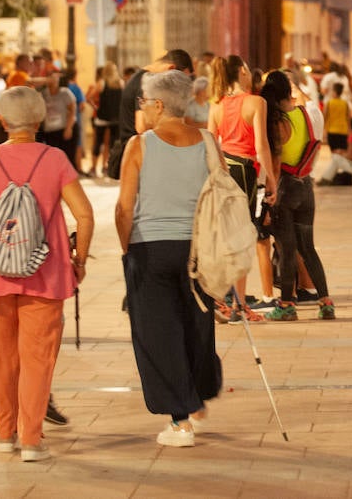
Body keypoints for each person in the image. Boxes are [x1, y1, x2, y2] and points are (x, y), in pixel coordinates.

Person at [0, 86, 95, 461]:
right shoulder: (56, 160)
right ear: (38, 120)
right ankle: (31, 440)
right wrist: (78, 259)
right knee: (37, 357)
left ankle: (5, 433)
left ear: (1, 120)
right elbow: (84, 214)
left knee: (1, 356)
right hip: (44, 272)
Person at [116, 70, 220, 447]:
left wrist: (127, 249)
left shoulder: (139, 145)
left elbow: (124, 209)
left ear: (159, 105)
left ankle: (180, 421)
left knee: (159, 334)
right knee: (196, 325)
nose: (141, 108)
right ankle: (196, 400)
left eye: (143, 101)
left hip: (151, 248)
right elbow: (221, 197)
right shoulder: (207, 140)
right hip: (199, 250)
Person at [207, 55, 278, 318]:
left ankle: (219, 299)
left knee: (224, 237)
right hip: (244, 171)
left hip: (222, 170)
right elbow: (261, 146)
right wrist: (271, 181)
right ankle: (239, 305)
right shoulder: (256, 102)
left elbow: (211, 145)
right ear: (243, 71)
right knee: (243, 239)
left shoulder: (216, 106)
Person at [262, 70, 335, 322]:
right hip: (305, 187)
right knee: (309, 248)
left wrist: (269, 192)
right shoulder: (305, 114)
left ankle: (286, 305)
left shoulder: (276, 122)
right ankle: (325, 302)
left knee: (287, 250)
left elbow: (276, 160)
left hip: (285, 190)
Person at [108, 49, 195, 179]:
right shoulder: (146, 81)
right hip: (140, 154)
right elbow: (141, 126)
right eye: (179, 78)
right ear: (171, 68)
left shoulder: (141, 77)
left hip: (139, 152)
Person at [87, 63, 123, 177]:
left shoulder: (101, 83)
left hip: (102, 117)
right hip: (116, 118)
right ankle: (106, 167)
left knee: (98, 143)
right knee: (111, 144)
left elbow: (89, 97)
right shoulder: (121, 83)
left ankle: (93, 168)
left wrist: (96, 107)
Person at [38, 71, 77, 164]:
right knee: (53, 158)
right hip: (50, 130)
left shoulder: (65, 93)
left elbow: (72, 110)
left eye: (56, 78)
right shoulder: (43, 94)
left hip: (63, 128)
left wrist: (69, 128)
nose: (54, 81)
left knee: (67, 157)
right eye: (52, 78)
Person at [323, 82, 351, 154]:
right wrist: (349, 130)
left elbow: (325, 117)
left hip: (332, 131)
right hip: (343, 131)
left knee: (334, 153)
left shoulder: (329, 103)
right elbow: (349, 118)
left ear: (334, 91)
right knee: (342, 152)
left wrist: (324, 130)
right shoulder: (345, 103)